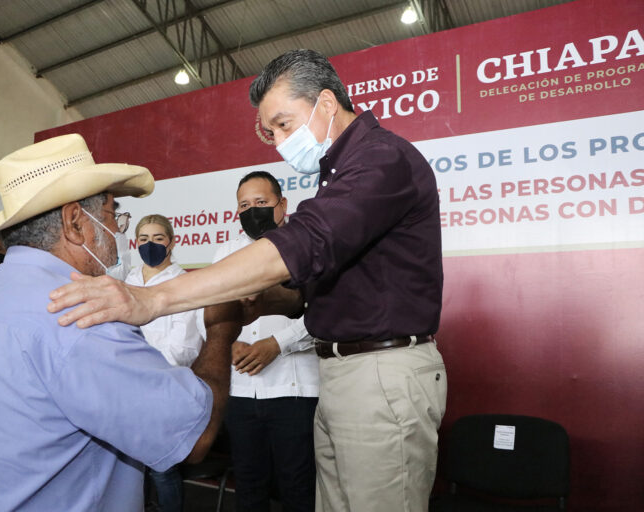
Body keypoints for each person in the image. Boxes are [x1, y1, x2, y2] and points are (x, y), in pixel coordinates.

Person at [48, 49, 446, 512]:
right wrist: (267, 301)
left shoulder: (381, 158)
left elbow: (306, 243)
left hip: (381, 372)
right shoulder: (336, 171)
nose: (278, 141)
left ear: (326, 103)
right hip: (344, 371)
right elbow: (333, 282)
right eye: (270, 131)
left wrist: (154, 300)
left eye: (283, 124)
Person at [0, 133, 237, 511]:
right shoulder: (83, 315)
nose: (117, 230)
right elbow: (195, 436)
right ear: (74, 223)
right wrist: (221, 331)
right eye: (110, 214)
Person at [208, 170, 318, 512]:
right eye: (244, 205)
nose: (252, 210)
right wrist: (227, 343)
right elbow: (212, 311)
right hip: (241, 392)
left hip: (295, 392)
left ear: (282, 205)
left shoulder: (307, 247)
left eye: (261, 202)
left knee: (297, 486)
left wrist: (278, 343)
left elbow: (324, 314)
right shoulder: (225, 252)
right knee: (249, 485)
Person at [125, 214, 204, 512]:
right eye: (143, 239)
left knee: (162, 470)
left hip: (165, 390)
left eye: (158, 238)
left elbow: (185, 348)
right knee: (127, 470)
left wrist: (138, 365)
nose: (150, 245)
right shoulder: (128, 280)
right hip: (125, 389)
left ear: (172, 242)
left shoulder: (184, 282)